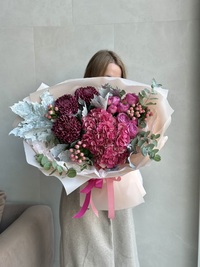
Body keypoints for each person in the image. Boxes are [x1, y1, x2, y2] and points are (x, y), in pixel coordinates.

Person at [59, 50, 140, 267]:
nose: (113, 86)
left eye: (118, 79)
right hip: (82, 193)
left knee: (121, 251)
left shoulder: (128, 114)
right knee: (83, 254)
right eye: (107, 79)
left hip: (117, 191)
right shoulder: (70, 111)